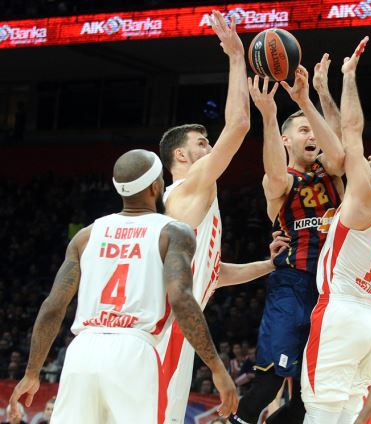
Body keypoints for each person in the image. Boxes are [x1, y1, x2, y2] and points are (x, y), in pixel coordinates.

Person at [8, 150, 237, 423]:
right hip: (134, 350)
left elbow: (53, 307)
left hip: (82, 351)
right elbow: (181, 300)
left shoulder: (86, 236)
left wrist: (32, 372)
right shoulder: (173, 232)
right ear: (155, 186)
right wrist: (216, 367)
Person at [157, 12, 289, 423]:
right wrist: (235, 56)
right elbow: (239, 124)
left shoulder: (192, 202)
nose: (210, 147)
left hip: (176, 326)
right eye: (202, 143)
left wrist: (270, 265)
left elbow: (214, 272)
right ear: (181, 155)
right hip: (163, 327)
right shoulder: (188, 187)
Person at [301, 36, 371, 423]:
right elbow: (341, 144)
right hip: (369, 320)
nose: (369, 155)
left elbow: (351, 132)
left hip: (341, 311)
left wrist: (349, 76)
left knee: (320, 412)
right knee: (347, 414)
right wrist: (322, 91)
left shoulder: (366, 194)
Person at [232, 53, 346, 424]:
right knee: (270, 383)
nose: (312, 135)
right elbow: (274, 173)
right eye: (303, 130)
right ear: (286, 139)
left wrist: (315, 95)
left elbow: (339, 149)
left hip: (332, 290)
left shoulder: (333, 171)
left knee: (308, 397)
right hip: (292, 285)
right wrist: (268, 114)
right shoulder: (281, 182)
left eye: (315, 131)